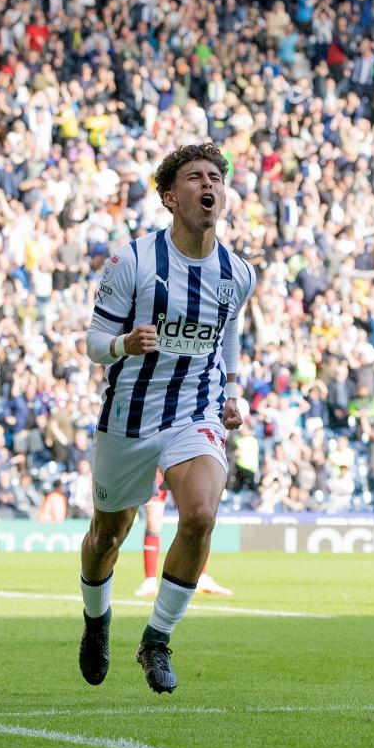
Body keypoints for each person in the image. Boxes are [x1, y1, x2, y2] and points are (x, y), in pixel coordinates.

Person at [79, 142, 256, 694]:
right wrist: (124, 345)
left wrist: (230, 392)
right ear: (170, 197)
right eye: (196, 177)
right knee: (109, 534)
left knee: (201, 512)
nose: (209, 185)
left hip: (194, 413)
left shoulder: (238, 272)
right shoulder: (133, 260)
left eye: (216, 178)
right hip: (129, 418)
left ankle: (156, 640)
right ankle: (96, 620)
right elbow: (93, 341)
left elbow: (228, 338)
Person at [135, 469, 231, 597]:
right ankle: (150, 581)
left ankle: (202, 577)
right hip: (156, 461)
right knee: (154, 516)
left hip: (179, 458)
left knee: (196, 513)